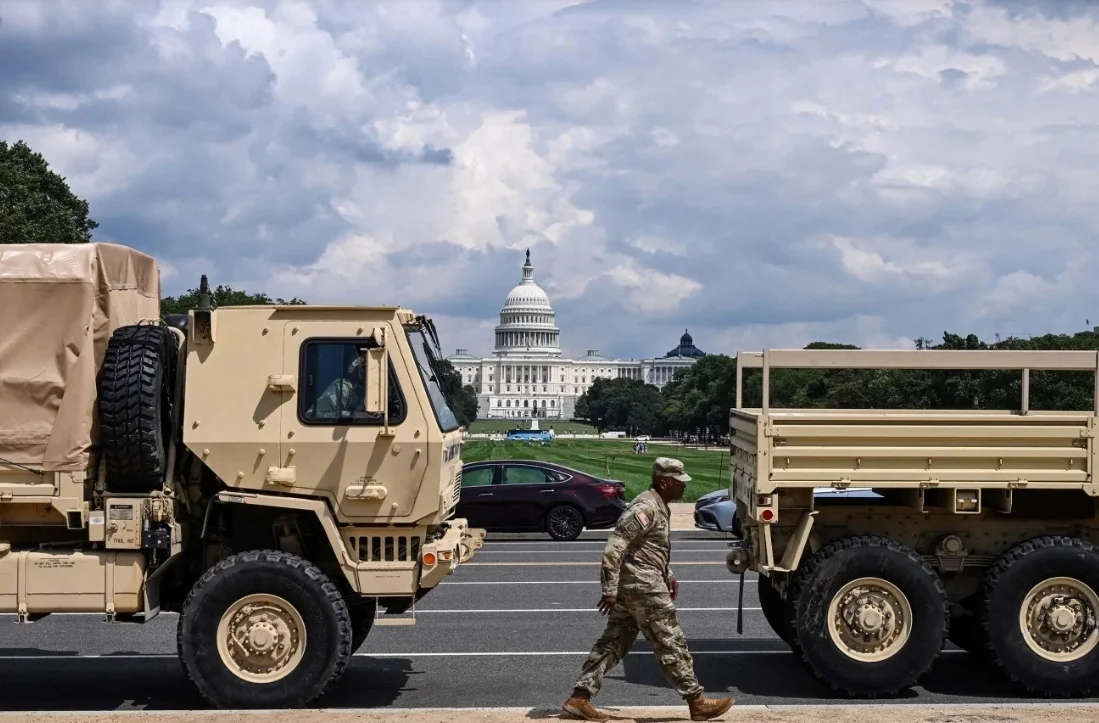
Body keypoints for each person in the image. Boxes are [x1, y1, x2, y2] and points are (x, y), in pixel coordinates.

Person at [562, 457, 734, 721]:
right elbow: (614, 548)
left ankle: (580, 698)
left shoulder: (658, 504)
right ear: (664, 482)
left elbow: (649, 548)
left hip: (642, 582)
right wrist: (609, 588)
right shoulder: (645, 508)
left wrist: (668, 573)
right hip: (643, 587)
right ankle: (696, 701)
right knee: (670, 640)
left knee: (615, 641)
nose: (683, 487)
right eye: (679, 482)